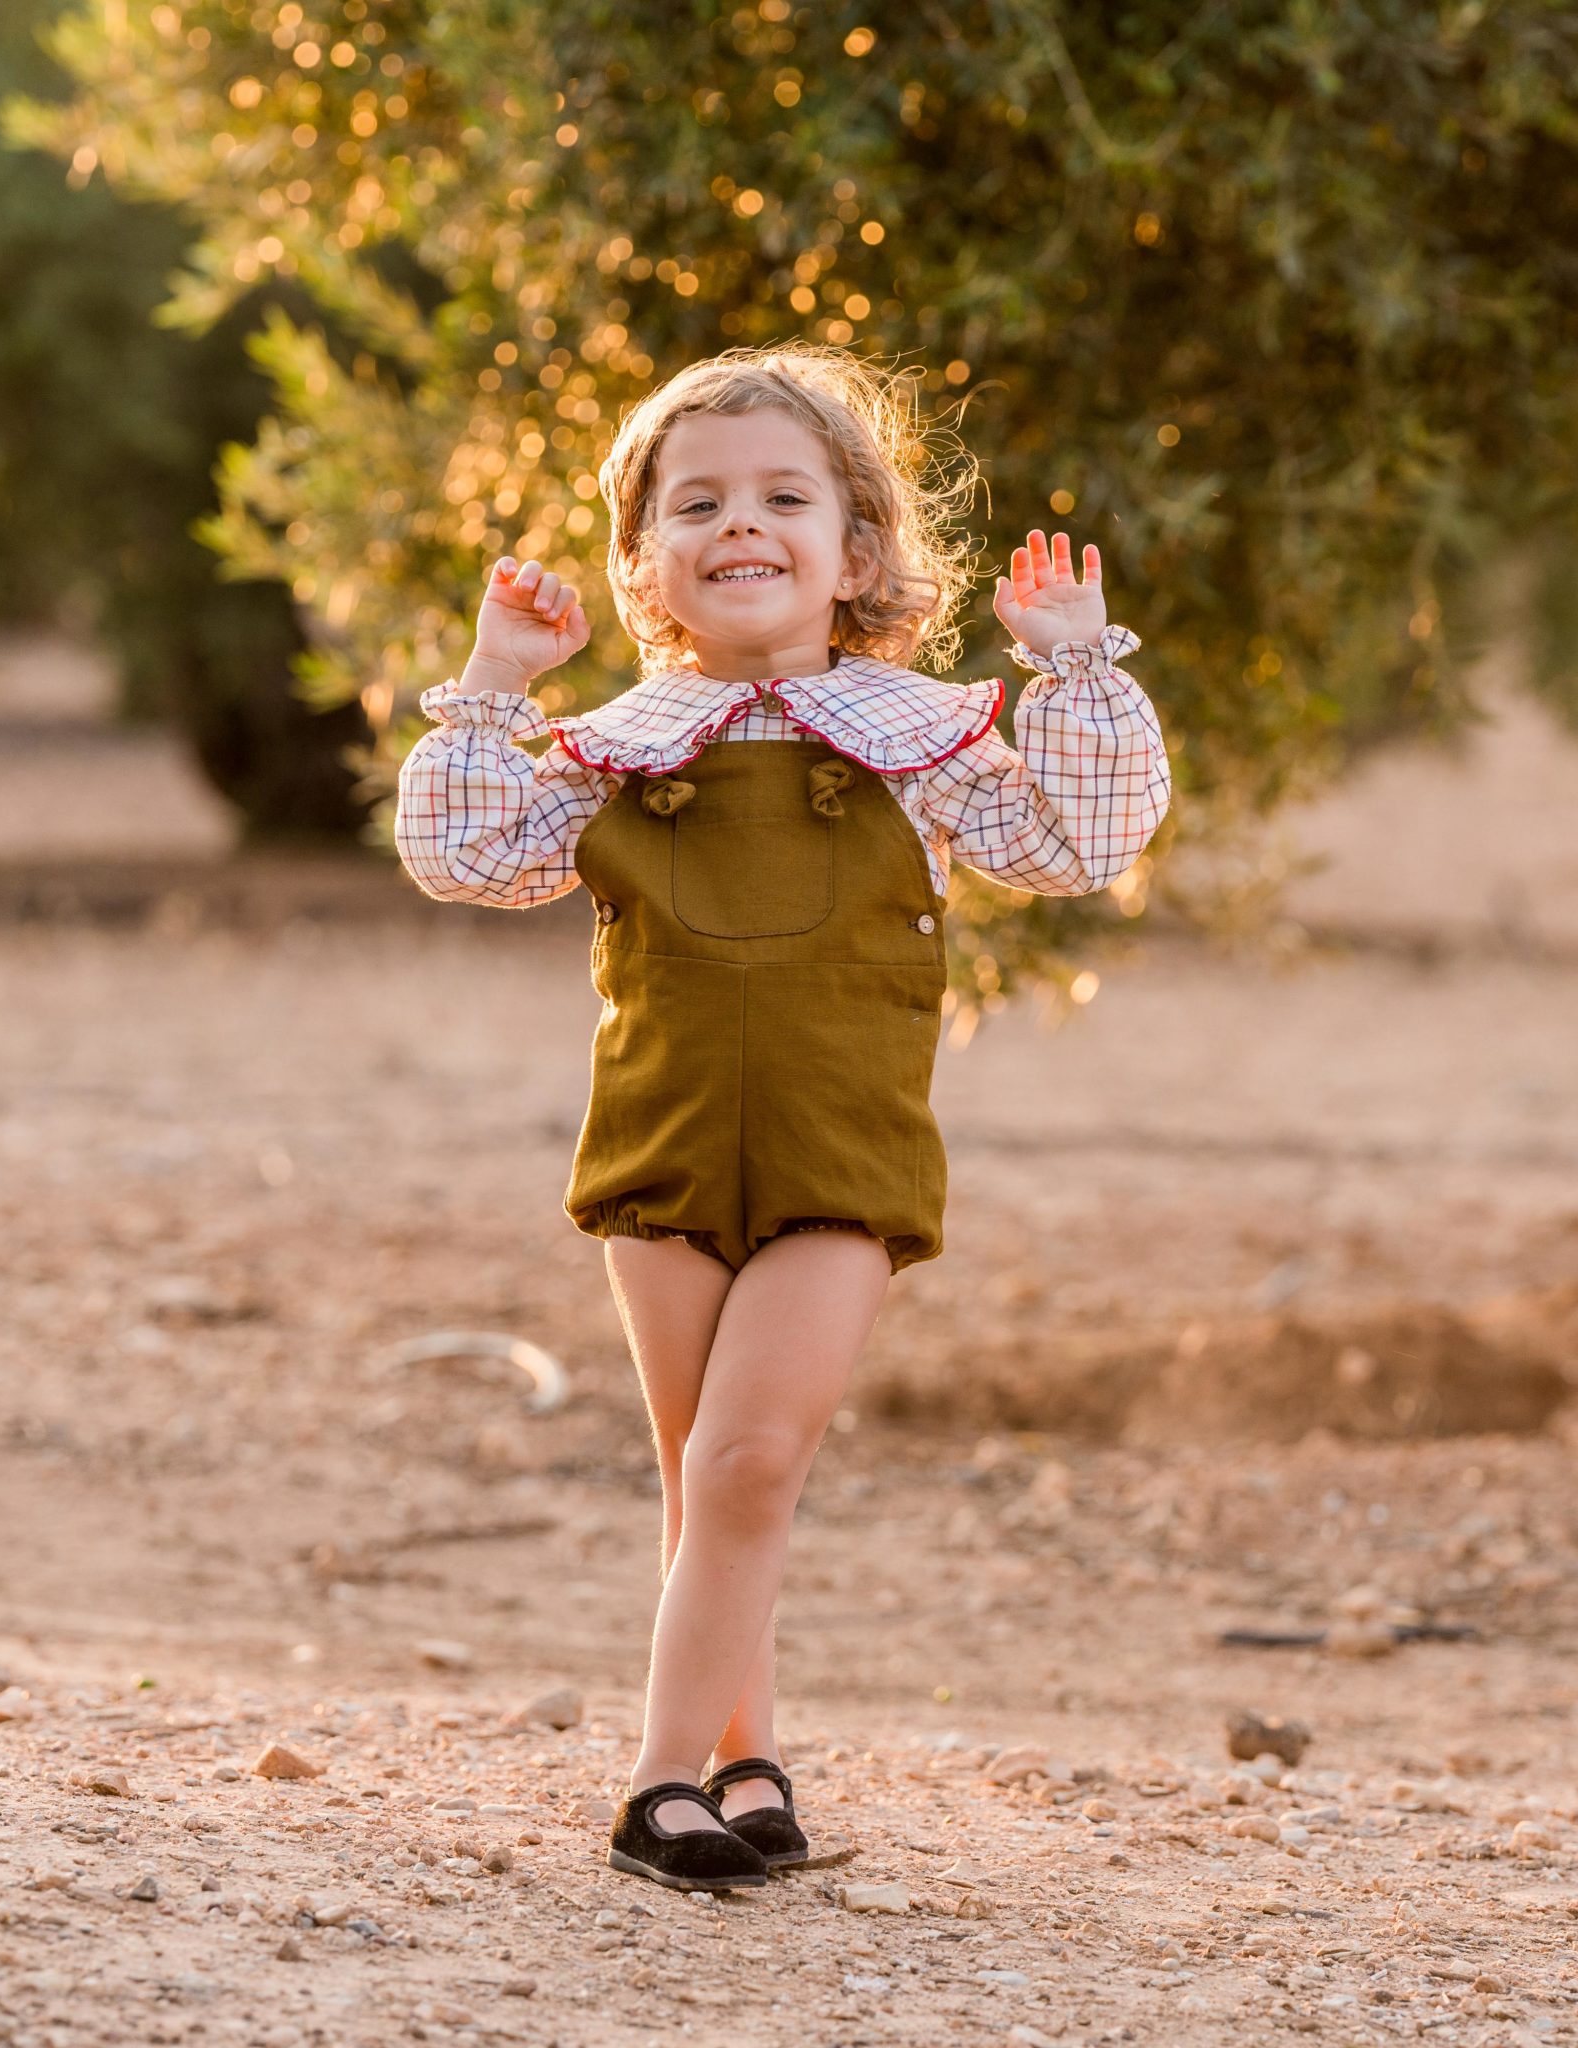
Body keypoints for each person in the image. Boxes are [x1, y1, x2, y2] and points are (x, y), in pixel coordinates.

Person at [394, 344, 1171, 1890]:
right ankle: (748, 1762)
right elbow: (460, 855)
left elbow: (1079, 842)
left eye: (782, 496)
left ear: (855, 550)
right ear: (645, 566)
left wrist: (1076, 666)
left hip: (841, 1155)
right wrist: (494, 683)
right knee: (704, 1475)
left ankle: (654, 1784)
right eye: (698, 503)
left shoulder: (918, 741)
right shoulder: (613, 748)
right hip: (662, 1145)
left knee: (754, 1462)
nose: (739, 523)